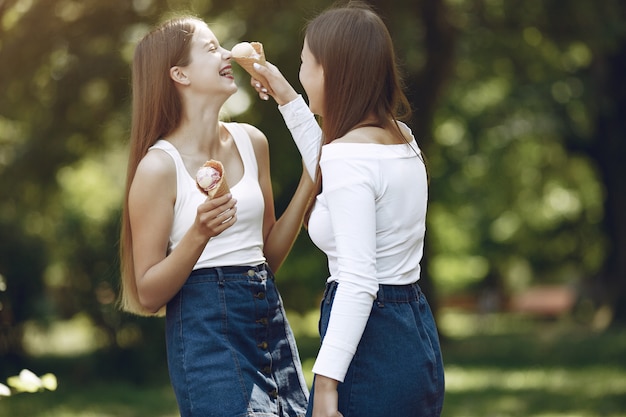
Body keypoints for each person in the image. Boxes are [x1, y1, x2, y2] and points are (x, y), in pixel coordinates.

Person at [249, 2, 445, 416]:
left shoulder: (348, 157)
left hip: (371, 345)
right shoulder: (400, 138)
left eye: (304, 63)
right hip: (414, 333)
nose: (301, 74)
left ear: (331, 73)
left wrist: (324, 386)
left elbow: (358, 281)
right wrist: (284, 92)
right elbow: (326, 157)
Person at [118, 16, 312, 417]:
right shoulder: (158, 167)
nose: (227, 54)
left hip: (268, 320)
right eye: (211, 48)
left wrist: (311, 182)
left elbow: (267, 256)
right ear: (179, 74)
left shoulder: (251, 142)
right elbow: (147, 292)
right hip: (207, 335)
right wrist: (198, 234)